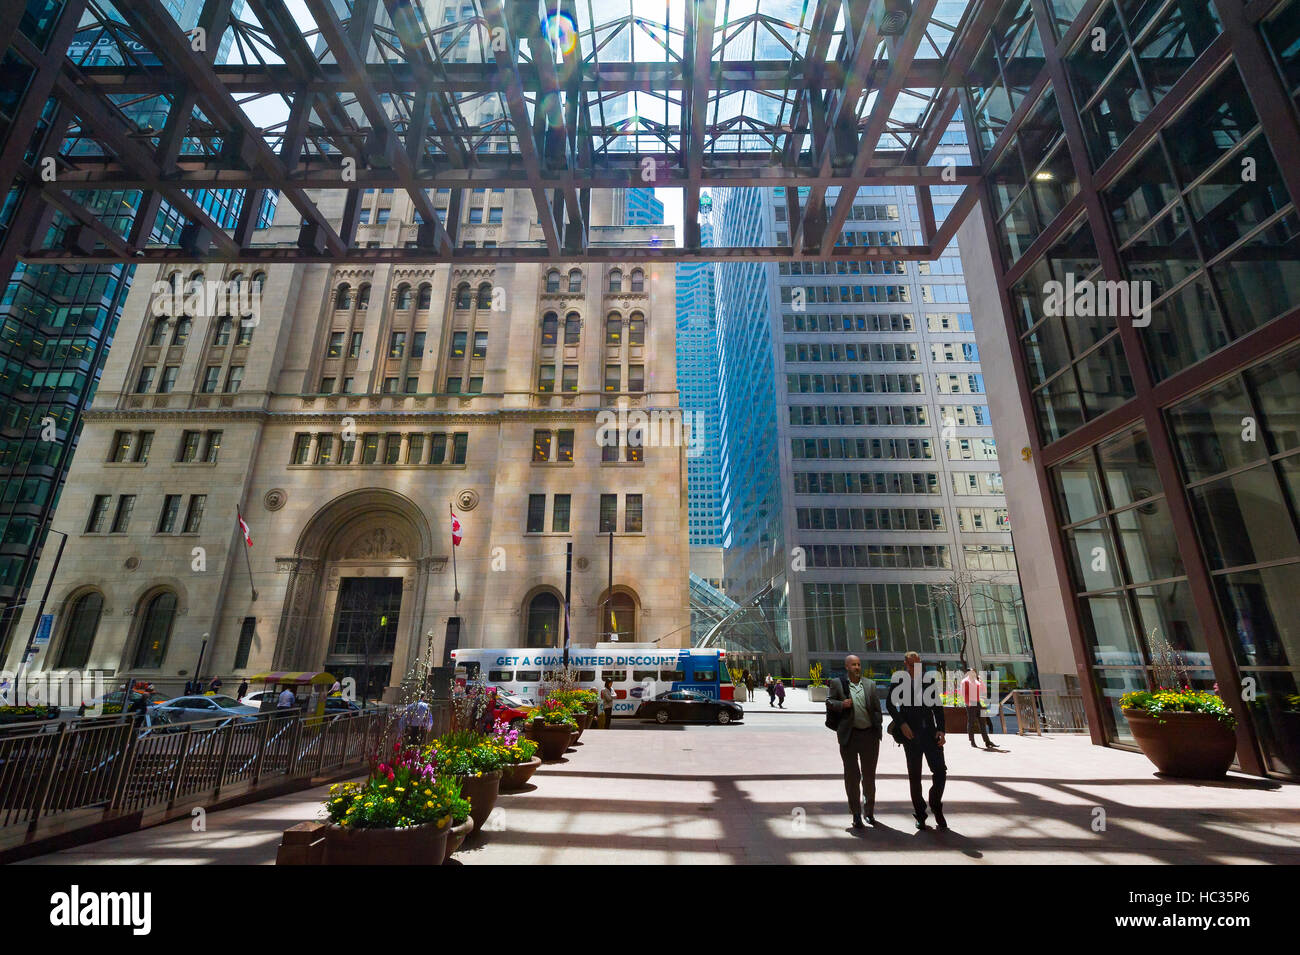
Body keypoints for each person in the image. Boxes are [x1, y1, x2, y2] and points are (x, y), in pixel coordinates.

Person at [887, 651, 947, 830]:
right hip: (910, 735)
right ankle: (920, 814)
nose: (916, 668)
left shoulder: (928, 681)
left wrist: (941, 730)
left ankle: (935, 804)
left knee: (940, 771)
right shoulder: (899, 680)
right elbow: (890, 705)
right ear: (905, 664)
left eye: (919, 664)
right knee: (915, 776)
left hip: (930, 734)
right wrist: (902, 724)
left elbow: (937, 707)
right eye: (913, 664)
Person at [826, 654, 883, 828]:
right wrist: (842, 705)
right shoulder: (838, 684)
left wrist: (877, 725)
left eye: (858, 664)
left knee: (869, 776)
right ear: (846, 667)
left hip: (869, 737)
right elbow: (829, 702)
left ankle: (869, 811)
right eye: (853, 665)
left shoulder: (870, 685)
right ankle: (856, 813)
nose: (857, 667)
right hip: (849, 737)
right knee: (852, 777)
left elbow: (877, 709)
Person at [961, 668, 995, 749]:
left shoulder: (977, 681)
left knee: (982, 722)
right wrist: (968, 703)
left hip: (978, 702)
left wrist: (981, 681)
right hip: (970, 703)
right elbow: (963, 693)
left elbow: (984, 690)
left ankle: (987, 741)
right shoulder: (965, 681)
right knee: (971, 722)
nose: (973, 673)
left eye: (974, 672)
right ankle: (972, 741)